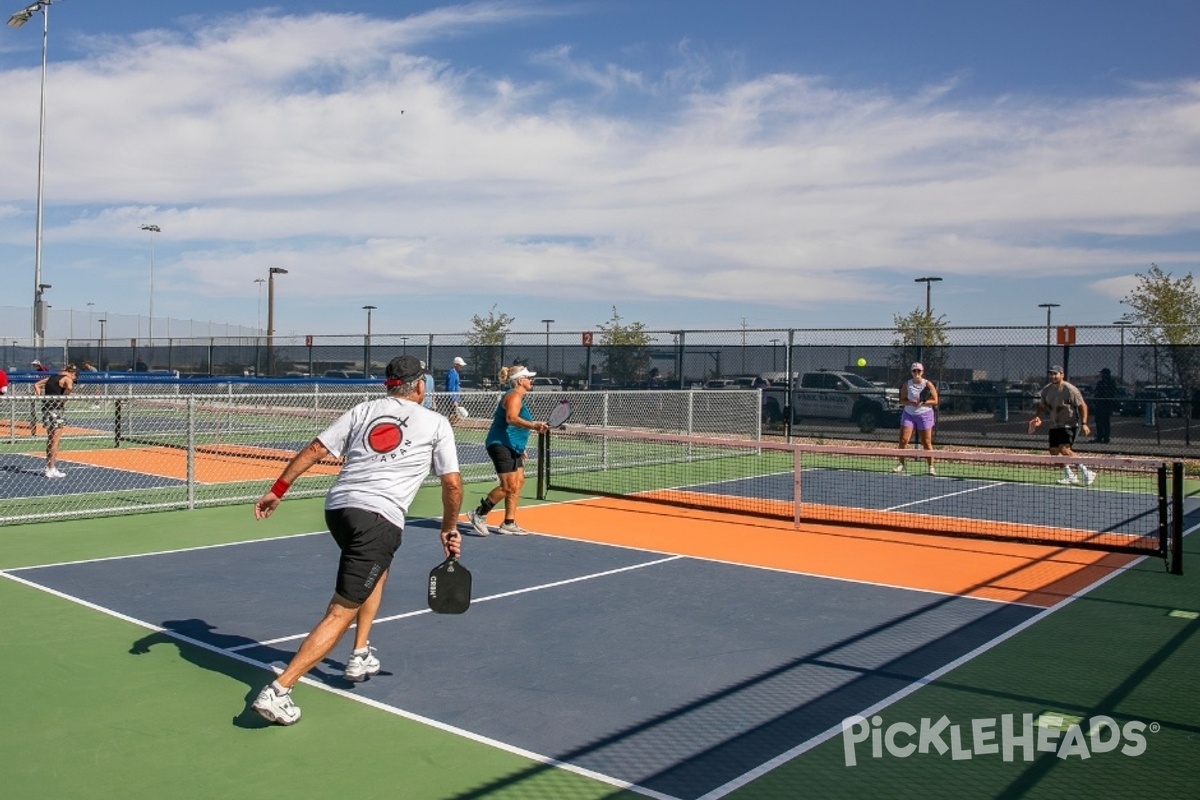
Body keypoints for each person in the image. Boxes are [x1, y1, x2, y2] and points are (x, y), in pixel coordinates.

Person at [249, 354, 463, 726]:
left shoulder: (363, 410)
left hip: (340, 510)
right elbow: (452, 483)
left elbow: (316, 449)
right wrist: (448, 528)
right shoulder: (436, 422)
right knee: (340, 610)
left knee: (377, 572)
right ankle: (279, 690)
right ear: (419, 386)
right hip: (378, 519)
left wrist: (278, 489)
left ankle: (360, 651)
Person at [467, 365, 549, 536]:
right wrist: (534, 425)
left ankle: (508, 523)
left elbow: (514, 427)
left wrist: (520, 447)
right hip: (500, 444)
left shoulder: (518, 397)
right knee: (508, 486)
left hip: (513, 446)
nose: (531, 380)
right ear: (520, 380)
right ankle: (479, 513)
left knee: (518, 483)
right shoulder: (513, 397)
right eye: (528, 377)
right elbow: (511, 419)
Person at [1029, 365, 1096, 485]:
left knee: (1065, 450)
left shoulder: (1070, 389)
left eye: (1055, 374)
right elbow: (1042, 406)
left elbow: (1083, 406)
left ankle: (1087, 472)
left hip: (1069, 425)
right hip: (1055, 425)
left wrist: (1084, 423)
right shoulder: (1046, 390)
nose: (1053, 376)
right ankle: (1070, 475)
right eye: (1051, 374)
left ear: (1062, 375)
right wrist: (1038, 417)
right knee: (1054, 451)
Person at [894, 362, 939, 475]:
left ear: (922, 372)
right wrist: (910, 402)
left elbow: (935, 400)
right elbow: (902, 400)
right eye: (914, 371)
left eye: (919, 371)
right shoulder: (907, 384)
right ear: (911, 372)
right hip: (909, 414)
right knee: (903, 440)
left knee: (926, 442)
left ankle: (931, 466)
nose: (916, 373)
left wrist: (922, 402)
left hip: (925, 414)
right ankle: (901, 464)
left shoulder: (927, 384)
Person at [33, 363, 77, 478]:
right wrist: (64, 399)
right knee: (55, 440)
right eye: (74, 378)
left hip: (47, 409)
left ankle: (49, 467)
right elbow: (70, 387)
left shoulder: (51, 377)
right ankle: (51, 468)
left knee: (50, 439)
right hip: (56, 410)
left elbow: (37, 385)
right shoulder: (67, 379)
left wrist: (41, 398)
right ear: (73, 374)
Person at [1092, 368, 1118, 444]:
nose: (1102, 375)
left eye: (1103, 374)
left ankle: (1106, 437)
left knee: (1106, 421)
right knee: (1098, 420)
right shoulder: (1100, 382)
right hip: (1100, 404)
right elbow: (1097, 392)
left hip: (1107, 404)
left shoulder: (1111, 382)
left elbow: (1113, 393)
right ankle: (1099, 436)